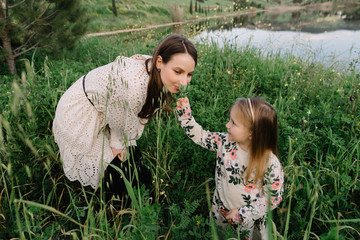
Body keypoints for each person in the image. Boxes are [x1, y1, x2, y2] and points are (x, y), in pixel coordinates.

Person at [53, 34, 197, 203]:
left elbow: (121, 113)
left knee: (133, 162)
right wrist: (117, 146)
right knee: (114, 168)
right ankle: (105, 205)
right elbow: (120, 121)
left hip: (108, 108)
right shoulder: (135, 86)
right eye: (178, 72)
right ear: (159, 62)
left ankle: (134, 198)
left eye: (189, 74)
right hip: (81, 111)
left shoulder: (156, 72)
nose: (184, 82)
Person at [176, 97, 284, 240]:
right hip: (220, 212)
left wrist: (243, 213)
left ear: (252, 133)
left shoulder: (270, 163)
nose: (227, 125)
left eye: (233, 123)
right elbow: (201, 136)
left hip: (247, 221)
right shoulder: (224, 143)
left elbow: (273, 197)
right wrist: (185, 115)